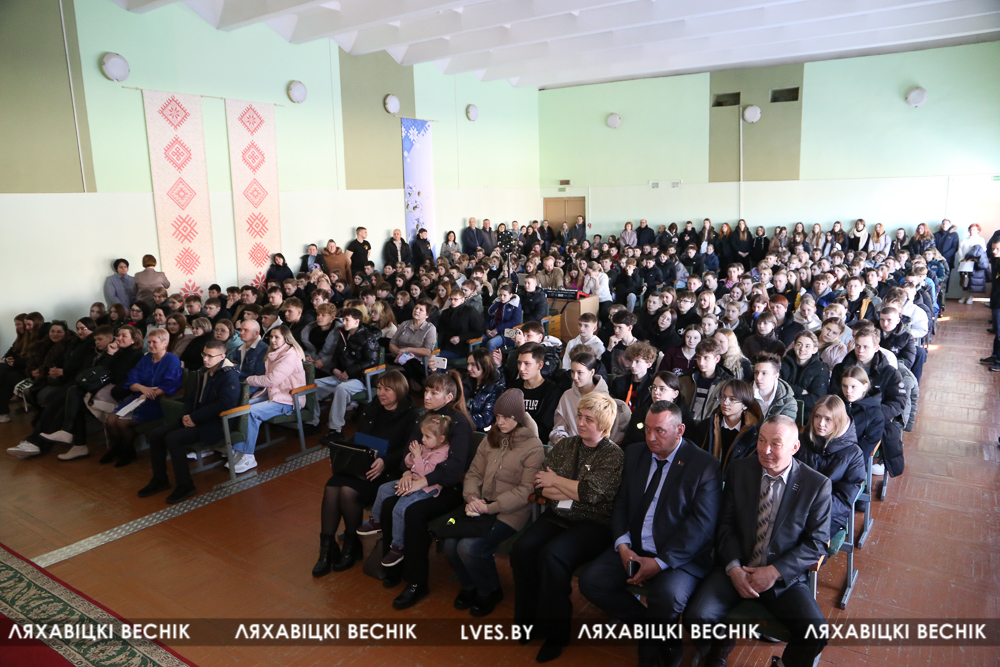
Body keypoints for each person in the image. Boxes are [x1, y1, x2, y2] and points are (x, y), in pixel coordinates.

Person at [580, 401, 722, 667]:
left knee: (666, 598)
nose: (651, 437)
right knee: (592, 582)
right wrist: (623, 546)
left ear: (680, 430)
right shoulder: (635, 454)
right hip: (635, 546)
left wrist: (659, 563)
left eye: (660, 431)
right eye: (647, 429)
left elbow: (701, 526)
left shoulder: (704, 466)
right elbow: (621, 502)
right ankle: (661, 633)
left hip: (678, 557)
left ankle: (651, 655)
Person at [685, 415, 832, 667]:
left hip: (781, 577)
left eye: (776, 443)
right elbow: (725, 524)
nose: (765, 450)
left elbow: (817, 543)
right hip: (737, 566)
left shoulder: (816, 485)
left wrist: (774, 572)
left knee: (815, 632)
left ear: (794, 447)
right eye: (762, 440)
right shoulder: (740, 470)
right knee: (696, 617)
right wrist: (733, 568)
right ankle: (720, 645)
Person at [512, 392, 624, 663]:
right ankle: (528, 620)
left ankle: (556, 633)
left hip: (593, 523)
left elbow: (591, 494)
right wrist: (566, 487)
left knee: (554, 555)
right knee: (522, 549)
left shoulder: (613, 455)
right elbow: (541, 484)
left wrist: (557, 482)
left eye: (589, 419)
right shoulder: (566, 445)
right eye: (579, 416)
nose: (581, 423)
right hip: (558, 515)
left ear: (604, 426)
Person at [443, 389, 544, 617]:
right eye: (498, 416)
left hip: (511, 512)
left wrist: (489, 507)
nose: (501, 422)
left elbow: (525, 491)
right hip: (481, 503)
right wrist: (472, 498)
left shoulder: (533, 446)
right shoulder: (491, 438)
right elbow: (474, 473)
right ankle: (470, 585)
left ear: (518, 417)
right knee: (450, 544)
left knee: (469, 547)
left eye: (507, 417)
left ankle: (489, 590)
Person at [379, 371, 475, 610]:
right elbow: (409, 450)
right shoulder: (424, 416)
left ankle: (417, 581)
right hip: (419, 477)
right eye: (426, 391)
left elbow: (454, 469)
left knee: (414, 512)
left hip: (447, 487)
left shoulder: (459, 422)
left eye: (434, 392)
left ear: (449, 397)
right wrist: (406, 472)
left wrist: (421, 481)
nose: (427, 396)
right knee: (390, 503)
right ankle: (395, 564)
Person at [313, 371, 416, 576]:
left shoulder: (411, 415)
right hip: (361, 464)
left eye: (387, 389)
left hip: (387, 472)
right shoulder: (372, 407)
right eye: (380, 388)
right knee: (332, 486)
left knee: (347, 492)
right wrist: (341, 452)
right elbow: (359, 437)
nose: (381, 393)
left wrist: (385, 462)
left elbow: (407, 450)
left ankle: (352, 544)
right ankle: (327, 547)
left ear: (399, 391)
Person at [138, 339, 240, 503]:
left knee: (173, 438)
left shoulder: (229, 375)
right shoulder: (203, 371)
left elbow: (224, 404)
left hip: (216, 424)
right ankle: (160, 479)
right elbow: (191, 397)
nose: (205, 359)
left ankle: (186, 485)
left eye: (210, 356)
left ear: (222, 356)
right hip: (196, 418)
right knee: (156, 434)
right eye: (204, 354)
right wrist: (186, 416)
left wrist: (194, 417)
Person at [358, 412, 452, 566]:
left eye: (427, 437)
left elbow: (426, 474)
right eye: (423, 435)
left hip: (428, 488)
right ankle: (376, 520)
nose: (423, 440)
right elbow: (408, 464)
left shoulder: (442, 453)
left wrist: (417, 456)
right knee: (384, 489)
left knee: (400, 507)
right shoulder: (426, 446)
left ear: (441, 439)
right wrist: (412, 457)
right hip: (413, 480)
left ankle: (398, 547)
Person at [832, 322, 907, 477]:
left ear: (876, 348)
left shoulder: (889, 373)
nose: (860, 351)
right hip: (845, 415)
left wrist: (874, 415)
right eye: (858, 346)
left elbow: (898, 402)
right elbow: (833, 394)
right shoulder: (841, 369)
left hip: (875, 418)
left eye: (866, 347)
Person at [231, 326, 307, 474]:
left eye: (277, 337)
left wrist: (249, 379)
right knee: (243, 408)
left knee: (251, 412)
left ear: (286, 339)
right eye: (271, 337)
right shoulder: (276, 353)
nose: (272, 340)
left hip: (289, 399)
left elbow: (272, 380)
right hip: (275, 394)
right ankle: (239, 450)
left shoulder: (290, 356)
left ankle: (247, 455)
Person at [102, 328, 183, 467]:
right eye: (149, 342)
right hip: (139, 397)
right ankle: (116, 448)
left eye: (154, 342)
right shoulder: (146, 359)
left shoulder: (171, 360)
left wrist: (150, 393)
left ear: (164, 343)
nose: (150, 345)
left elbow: (171, 384)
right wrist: (142, 388)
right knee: (111, 419)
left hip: (157, 401)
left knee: (122, 422)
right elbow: (132, 380)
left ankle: (128, 451)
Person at [795, 396, 865, 542]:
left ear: (839, 421)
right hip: (795, 506)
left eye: (828, 419)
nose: (821, 423)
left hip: (828, 515)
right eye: (817, 416)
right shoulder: (800, 440)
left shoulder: (853, 453)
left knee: (802, 542)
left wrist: (810, 508)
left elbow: (844, 500)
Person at [319, 308, 380, 439]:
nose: (344, 322)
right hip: (342, 375)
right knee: (315, 385)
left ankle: (336, 429)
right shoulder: (343, 334)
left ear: (357, 321)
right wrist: (334, 369)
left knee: (341, 389)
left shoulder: (368, 337)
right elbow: (336, 355)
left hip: (361, 379)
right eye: (343, 319)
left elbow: (371, 361)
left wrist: (349, 371)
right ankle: (312, 422)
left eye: (347, 320)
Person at [510, 343, 560, 443]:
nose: (521, 368)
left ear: (540, 365)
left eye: (527, 363)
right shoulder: (514, 388)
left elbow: (546, 427)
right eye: (519, 363)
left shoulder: (552, 391)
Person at [838, 366, 885, 460]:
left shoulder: (875, 415)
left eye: (853, 387)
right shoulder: (836, 403)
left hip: (850, 459)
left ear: (865, 387)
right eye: (844, 386)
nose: (848, 391)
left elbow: (864, 450)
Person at [779, 331, 830, 417]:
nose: (802, 349)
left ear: (814, 350)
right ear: (794, 346)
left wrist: (786, 397)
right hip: (780, 411)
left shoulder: (821, 368)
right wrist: (799, 391)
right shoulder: (782, 363)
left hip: (806, 415)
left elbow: (815, 400)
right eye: (799, 344)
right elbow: (777, 387)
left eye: (807, 346)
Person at [436, 287, 485, 361]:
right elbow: (441, 331)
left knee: (435, 359)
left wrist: (460, 338)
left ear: (462, 299)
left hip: (461, 347)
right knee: (428, 356)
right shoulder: (445, 313)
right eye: (451, 299)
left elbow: (478, 331)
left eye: (455, 299)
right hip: (445, 345)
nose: (452, 301)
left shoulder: (470, 311)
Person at [464, 347, 506, 431]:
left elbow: (487, 418)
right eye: (468, 364)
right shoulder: (467, 381)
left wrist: (461, 419)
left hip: (482, 431)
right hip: (465, 426)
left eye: (473, 364)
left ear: (484, 364)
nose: (469, 368)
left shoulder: (496, 386)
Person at [751, 352, 798, 420]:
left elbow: (784, 426)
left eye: (764, 373)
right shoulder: (743, 395)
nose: (758, 377)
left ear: (776, 376)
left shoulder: (788, 402)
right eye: (756, 372)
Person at [484, 284, 522, 352]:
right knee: (480, 339)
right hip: (493, 329)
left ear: (510, 295)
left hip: (510, 332)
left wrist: (497, 329)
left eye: (505, 295)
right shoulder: (497, 303)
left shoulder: (515, 305)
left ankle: (491, 359)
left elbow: (515, 321)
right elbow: (488, 317)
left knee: (491, 343)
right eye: (500, 295)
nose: (502, 297)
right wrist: (487, 329)